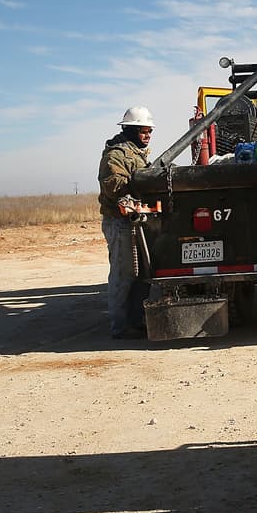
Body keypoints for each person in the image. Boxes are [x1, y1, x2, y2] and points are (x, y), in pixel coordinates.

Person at [98, 106, 155, 339]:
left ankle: (136, 321)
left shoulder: (136, 153)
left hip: (136, 222)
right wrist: (142, 182)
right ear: (131, 130)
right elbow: (113, 185)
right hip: (120, 222)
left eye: (150, 131)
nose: (148, 135)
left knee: (142, 274)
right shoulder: (117, 154)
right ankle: (120, 327)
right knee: (123, 276)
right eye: (143, 131)